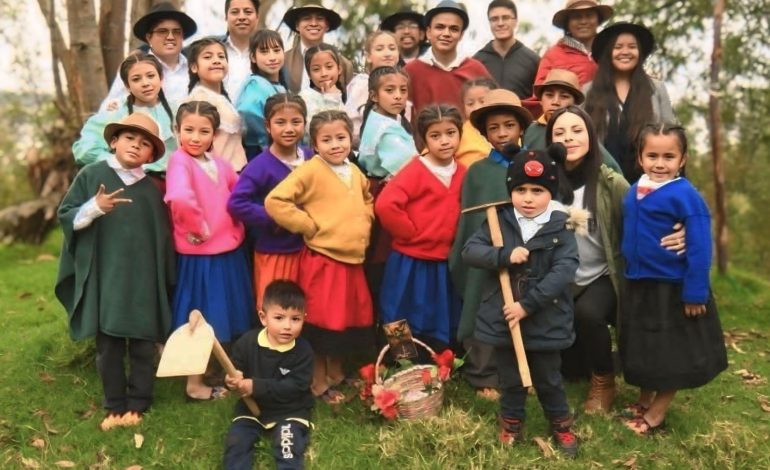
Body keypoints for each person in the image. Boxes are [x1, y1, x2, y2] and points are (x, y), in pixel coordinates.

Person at [462, 143, 584, 457]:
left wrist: (527, 305)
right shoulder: (498, 221)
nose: (528, 198)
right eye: (522, 190)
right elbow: (471, 251)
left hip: (545, 319)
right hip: (506, 321)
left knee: (548, 377)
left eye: (538, 191)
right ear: (511, 190)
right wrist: (503, 254)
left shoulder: (561, 226)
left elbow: (563, 271)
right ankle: (512, 422)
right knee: (511, 377)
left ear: (551, 193)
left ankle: (560, 424)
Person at [55, 113, 174, 431]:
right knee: (108, 345)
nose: (136, 146)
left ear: (151, 155)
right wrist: (94, 208)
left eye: (145, 143)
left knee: (141, 344)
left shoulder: (150, 191)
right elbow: (67, 216)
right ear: (113, 141)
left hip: (142, 281)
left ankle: (138, 403)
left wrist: (163, 279)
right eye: (130, 138)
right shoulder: (93, 175)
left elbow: (161, 240)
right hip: (105, 277)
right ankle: (114, 405)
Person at [619, 124, 727, 435]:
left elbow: (700, 246)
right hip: (640, 283)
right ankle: (644, 398)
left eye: (669, 156)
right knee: (645, 347)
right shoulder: (635, 188)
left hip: (673, 287)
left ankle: (656, 413)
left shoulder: (685, 195)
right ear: (640, 158)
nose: (660, 163)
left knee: (670, 352)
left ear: (682, 159)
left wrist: (695, 292)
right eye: (652, 155)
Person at [265, 110, 374, 405]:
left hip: (352, 260)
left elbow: (366, 197)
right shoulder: (310, 170)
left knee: (346, 321)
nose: (335, 145)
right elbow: (276, 200)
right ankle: (317, 381)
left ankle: (337, 373)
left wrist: (366, 216)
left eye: (341, 137)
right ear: (314, 143)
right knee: (323, 324)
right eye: (327, 140)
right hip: (324, 260)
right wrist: (308, 225)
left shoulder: (353, 170)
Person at [164, 101, 255, 401]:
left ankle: (219, 371)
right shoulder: (180, 161)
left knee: (223, 310)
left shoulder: (218, 163)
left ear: (214, 135)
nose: (195, 137)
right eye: (188, 129)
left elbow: (239, 190)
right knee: (199, 314)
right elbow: (178, 195)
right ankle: (194, 382)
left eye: (204, 131)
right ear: (176, 130)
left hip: (227, 248)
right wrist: (197, 227)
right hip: (201, 252)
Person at [449, 89, 532, 400]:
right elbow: (470, 222)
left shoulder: (532, 164)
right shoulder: (478, 173)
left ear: (521, 128)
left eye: (508, 125)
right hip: (488, 256)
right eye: (493, 128)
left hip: (525, 253)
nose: (501, 133)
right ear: (484, 133)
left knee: (524, 305)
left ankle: (526, 371)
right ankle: (484, 373)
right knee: (485, 306)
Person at [375, 104, 466, 352]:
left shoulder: (463, 172)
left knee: (439, 308)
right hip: (411, 257)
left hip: (443, 257)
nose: (444, 141)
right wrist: (410, 233)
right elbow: (386, 204)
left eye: (450, 133)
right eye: (435, 136)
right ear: (423, 138)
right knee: (402, 306)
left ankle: (438, 355)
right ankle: (402, 356)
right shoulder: (415, 170)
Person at [228, 93, 312, 309]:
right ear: (267, 126)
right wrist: (276, 218)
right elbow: (237, 203)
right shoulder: (260, 165)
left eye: (296, 122)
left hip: (309, 249)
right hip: (276, 252)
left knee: (305, 308)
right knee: (276, 308)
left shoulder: (312, 158)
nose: (289, 129)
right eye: (280, 122)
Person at [223, 280, 314, 470]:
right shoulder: (247, 342)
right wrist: (231, 381)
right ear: (263, 317)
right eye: (279, 318)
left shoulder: (303, 351)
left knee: (287, 446)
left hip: (290, 411)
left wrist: (254, 386)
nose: (287, 326)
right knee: (236, 443)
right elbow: (235, 369)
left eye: (295, 319)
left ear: (304, 318)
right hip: (252, 408)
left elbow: (296, 387)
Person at [584, 22, 675, 183]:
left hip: (649, 181)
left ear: (639, 52)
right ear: (608, 52)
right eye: (618, 47)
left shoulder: (656, 89)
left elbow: (672, 135)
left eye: (632, 46)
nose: (625, 52)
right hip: (603, 181)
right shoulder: (588, 91)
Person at [73, 52, 177, 174]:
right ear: (127, 86)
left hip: (176, 180)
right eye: (136, 79)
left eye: (150, 76)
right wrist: (121, 163)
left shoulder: (178, 110)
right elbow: (85, 150)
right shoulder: (116, 114)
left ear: (161, 78)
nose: (145, 83)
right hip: (131, 181)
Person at [404, 0, 490, 131]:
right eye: (440, 27)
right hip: (424, 149)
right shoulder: (410, 72)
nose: (446, 33)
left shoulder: (476, 69)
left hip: (472, 148)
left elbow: (494, 111)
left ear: (461, 35)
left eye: (454, 29)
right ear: (428, 32)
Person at [100, 2, 197, 111]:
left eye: (177, 32)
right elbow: (108, 107)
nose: (170, 37)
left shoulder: (196, 68)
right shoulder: (134, 68)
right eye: (162, 31)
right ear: (148, 37)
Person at [523, 68, 621, 173]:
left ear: (574, 105)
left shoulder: (581, 131)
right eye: (549, 95)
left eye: (564, 96)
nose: (555, 102)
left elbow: (613, 170)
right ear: (541, 100)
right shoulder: (531, 130)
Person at [183, 37, 248, 171]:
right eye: (208, 57)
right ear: (194, 67)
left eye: (221, 56)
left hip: (235, 174)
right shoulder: (199, 99)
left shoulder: (222, 98)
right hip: (216, 176)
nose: (217, 61)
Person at [534, 0, 614, 87]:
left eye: (589, 15)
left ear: (598, 20)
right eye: (577, 17)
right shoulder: (553, 55)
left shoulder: (613, 49)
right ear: (567, 23)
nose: (583, 21)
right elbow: (540, 92)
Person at [236, 30, 288, 159]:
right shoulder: (255, 84)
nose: (272, 57)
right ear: (253, 57)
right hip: (261, 152)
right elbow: (247, 111)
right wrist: (267, 139)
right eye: (264, 52)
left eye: (276, 50)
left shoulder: (281, 87)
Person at [357, 66, 416, 179]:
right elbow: (408, 166)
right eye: (389, 90)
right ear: (374, 96)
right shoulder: (384, 131)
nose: (398, 96)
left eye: (403, 90)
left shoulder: (378, 117)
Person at [473, 0, 539, 100]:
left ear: (515, 21)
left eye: (506, 18)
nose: (500, 23)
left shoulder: (533, 60)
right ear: (489, 23)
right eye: (494, 19)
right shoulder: (477, 62)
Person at [281, 3, 354, 94]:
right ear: (297, 25)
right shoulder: (283, 61)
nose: (313, 23)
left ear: (327, 25)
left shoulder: (344, 64)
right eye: (306, 18)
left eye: (319, 19)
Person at [345, 31, 401, 148]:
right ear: (368, 56)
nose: (387, 54)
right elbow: (369, 120)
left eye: (392, 48)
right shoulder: (363, 83)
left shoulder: (400, 84)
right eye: (380, 49)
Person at [297, 44, 347, 144]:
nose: (324, 73)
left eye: (329, 67)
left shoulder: (341, 94)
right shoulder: (305, 97)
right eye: (316, 69)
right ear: (309, 74)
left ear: (339, 69)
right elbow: (315, 131)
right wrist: (330, 98)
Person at [222, 0, 260, 102]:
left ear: (257, 17)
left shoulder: (269, 54)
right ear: (226, 17)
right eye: (235, 12)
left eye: (248, 12)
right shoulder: (212, 51)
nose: (242, 17)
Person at [456, 77, 497, 168]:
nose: (476, 108)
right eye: (470, 104)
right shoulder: (457, 133)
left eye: (482, 101)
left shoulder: (510, 129)